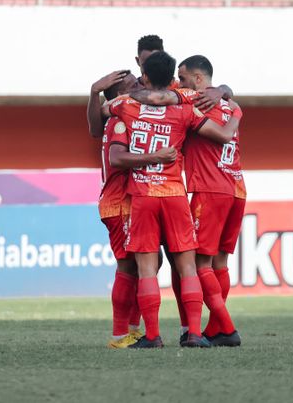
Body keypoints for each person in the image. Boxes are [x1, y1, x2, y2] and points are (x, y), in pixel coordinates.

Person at [94, 51, 242, 348]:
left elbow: (99, 121)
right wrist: (234, 108)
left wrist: (95, 91)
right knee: (188, 266)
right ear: (173, 78)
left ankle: (151, 336)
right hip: (175, 194)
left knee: (147, 268)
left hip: (143, 196)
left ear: (145, 76)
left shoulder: (126, 105)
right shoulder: (186, 104)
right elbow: (221, 132)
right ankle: (196, 334)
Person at [89, 70, 178, 348]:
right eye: (131, 85)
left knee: (149, 264)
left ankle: (131, 329)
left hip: (126, 201)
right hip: (120, 202)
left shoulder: (126, 118)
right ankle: (120, 334)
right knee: (130, 266)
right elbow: (118, 159)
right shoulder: (118, 121)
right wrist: (158, 157)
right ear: (118, 95)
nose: (138, 86)